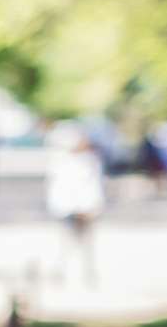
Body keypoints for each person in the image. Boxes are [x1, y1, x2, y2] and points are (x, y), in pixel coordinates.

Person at [44, 120, 103, 286]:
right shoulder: (62, 161)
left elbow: (93, 185)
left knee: (86, 244)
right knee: (67, 241)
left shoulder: (88, 160)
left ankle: (88, 274)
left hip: (85, 208)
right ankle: (60, 272)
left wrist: (91, 206)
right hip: (68, 208)